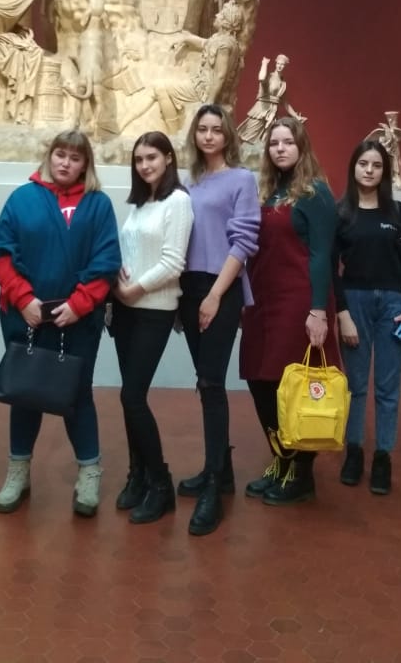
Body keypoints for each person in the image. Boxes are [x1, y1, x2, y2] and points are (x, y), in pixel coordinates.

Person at [0, 131, 121, 517]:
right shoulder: (22, 199)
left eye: (75, 158)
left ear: (85, 165)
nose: (66, 163)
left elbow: (106, 261)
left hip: (78, 320)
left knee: (77, 394)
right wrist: (23, 299)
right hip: (26, 316)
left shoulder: (98, 204)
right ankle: (18, 471)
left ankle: (89, 472)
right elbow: (2, 252)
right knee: (24, 391)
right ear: (50, 156)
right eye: (61, 154)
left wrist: (79, 305)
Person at [241, 117, 338, 505]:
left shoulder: (316, 193)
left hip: (299, 301)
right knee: (259, 379)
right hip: (262, 299)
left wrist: (318, 310)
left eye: (288, 142)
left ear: (302, 147)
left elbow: (322, 255)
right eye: (274, 143)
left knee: (293, 385)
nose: (280, 148)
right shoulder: (268, 191)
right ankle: (281, 460)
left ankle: (301, 473)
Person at [176, 104, 260, 536]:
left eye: (216, 129)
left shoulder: (242, 179)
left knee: (211, 383)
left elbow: (243, 242)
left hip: (220, 288)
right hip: (189, 288)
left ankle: (213, 485)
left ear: (228, 135)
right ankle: (221, 470)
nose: (209, 136)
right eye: (202, 129)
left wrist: (214, 296)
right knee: (204, 379)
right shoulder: (188, 181)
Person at [112, 131, 194, 524]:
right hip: (124, 309)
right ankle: (138, 475)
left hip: (153, 310)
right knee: (130, 397)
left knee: (132, 396)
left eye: (152, 157)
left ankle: (161, 484)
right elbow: (130, 251)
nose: (145, 165)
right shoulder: (140, 203)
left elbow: (174, 262)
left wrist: (134, 289)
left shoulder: (177, 201)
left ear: (168, 159)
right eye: (139, 159)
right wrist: (117, 280)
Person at [334, 141, 401, 495]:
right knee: (355, 386)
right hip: (354, 303)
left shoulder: (397, 212)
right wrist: (342, 313)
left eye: (376, 165)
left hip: (393, 306)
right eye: (363, 164)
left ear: (384, 171)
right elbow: (330, 269)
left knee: (388, 388)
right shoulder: (342, 213)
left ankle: (383, 456)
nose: (369, 170)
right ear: (353, 168)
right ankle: (353, 451)